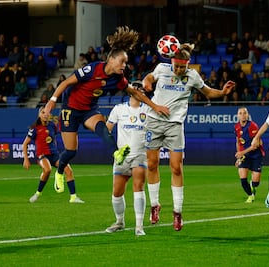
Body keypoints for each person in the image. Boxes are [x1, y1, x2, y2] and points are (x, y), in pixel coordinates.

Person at [44, 26, 169, 195]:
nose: (124, 65)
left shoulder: (118, 79)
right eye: (122, 62)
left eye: (126, 62)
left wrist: (155, 106)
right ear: (111, 60)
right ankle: (60, 171)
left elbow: (135, 93)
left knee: (102, 126)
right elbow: (66, 83)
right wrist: (52, 100)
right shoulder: (92, 69)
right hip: (71, 109)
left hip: (89, 110)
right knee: (71, 151)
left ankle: (116, 153)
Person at [142, 38, 235, 231]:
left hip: (175, 125)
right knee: (152, 164)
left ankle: (177, 212)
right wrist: (146, 81)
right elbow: (150, 77)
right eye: (175, 66)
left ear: (187, 65)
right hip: (154, 121)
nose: (178, 71)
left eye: (181, 68)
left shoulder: (193, 76)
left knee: (176, 167)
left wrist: (223, 92)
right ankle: (155, 205)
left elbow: (208, 93)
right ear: (172, 61)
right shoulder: (162, 68)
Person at [105, 87, 148, 236]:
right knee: (117, 192)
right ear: (132, 93)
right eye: (139, 90)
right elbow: (107, 129)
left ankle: (139, 226)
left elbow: (155, 130)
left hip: (140, 155)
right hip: (122, 157)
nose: (141, 93)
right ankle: (119, 222)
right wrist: (114, 149)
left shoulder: (148, 109)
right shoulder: (119, 109)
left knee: (138, 186)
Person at [22, 106, 84, 203]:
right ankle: (38, 193)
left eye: (47, 113)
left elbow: (54, 139)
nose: (45, 115)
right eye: (43, 112)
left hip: (54, 154)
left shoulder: (52, 126)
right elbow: (25, 144)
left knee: (68, 170)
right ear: (39, 114)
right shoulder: (34, 128)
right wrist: (26, 159)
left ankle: (73, 197)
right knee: (47, 170)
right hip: (42, 155)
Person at [234, 107, 265, 203]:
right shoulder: (236, 127)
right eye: (241, 113)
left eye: (245, 113)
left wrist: (241, 153)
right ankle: (250, 196)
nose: (243, 115)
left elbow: (257, 144)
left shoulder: (253, 126)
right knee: (243, 179)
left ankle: (253, 185)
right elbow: (238, 142)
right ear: (238, 115)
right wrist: (239, 157)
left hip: (256, 155)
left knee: (256, 182)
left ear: (248, 115)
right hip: (245, 156)